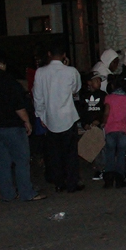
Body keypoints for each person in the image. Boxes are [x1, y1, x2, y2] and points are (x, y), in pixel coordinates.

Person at [0, 54, 46, 202]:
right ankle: (26, 192)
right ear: (1, 64)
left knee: (3, 160)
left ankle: (8, 193)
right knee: (21, 159)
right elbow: (18, 104)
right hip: (11, 124)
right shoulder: (7, 80)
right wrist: (27, 121)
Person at [33, 41, 84, 193]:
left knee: (54, 153)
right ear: (64, 55)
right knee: (70, 153)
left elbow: (37, 97)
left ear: (49, 54)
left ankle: (59, 182)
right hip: (68, 116)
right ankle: (72, 182)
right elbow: (76, 88)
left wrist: (40, 116)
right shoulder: (71, 71)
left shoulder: (40, 72)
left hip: (50, 117)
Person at [101, 75, 126, 188]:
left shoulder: (108, 98)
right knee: (121, 154)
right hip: (122, 129)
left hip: (110, 129)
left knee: (110, 154)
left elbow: (106, 113)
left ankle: (108, 179)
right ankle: (120, 178)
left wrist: (103, 122)